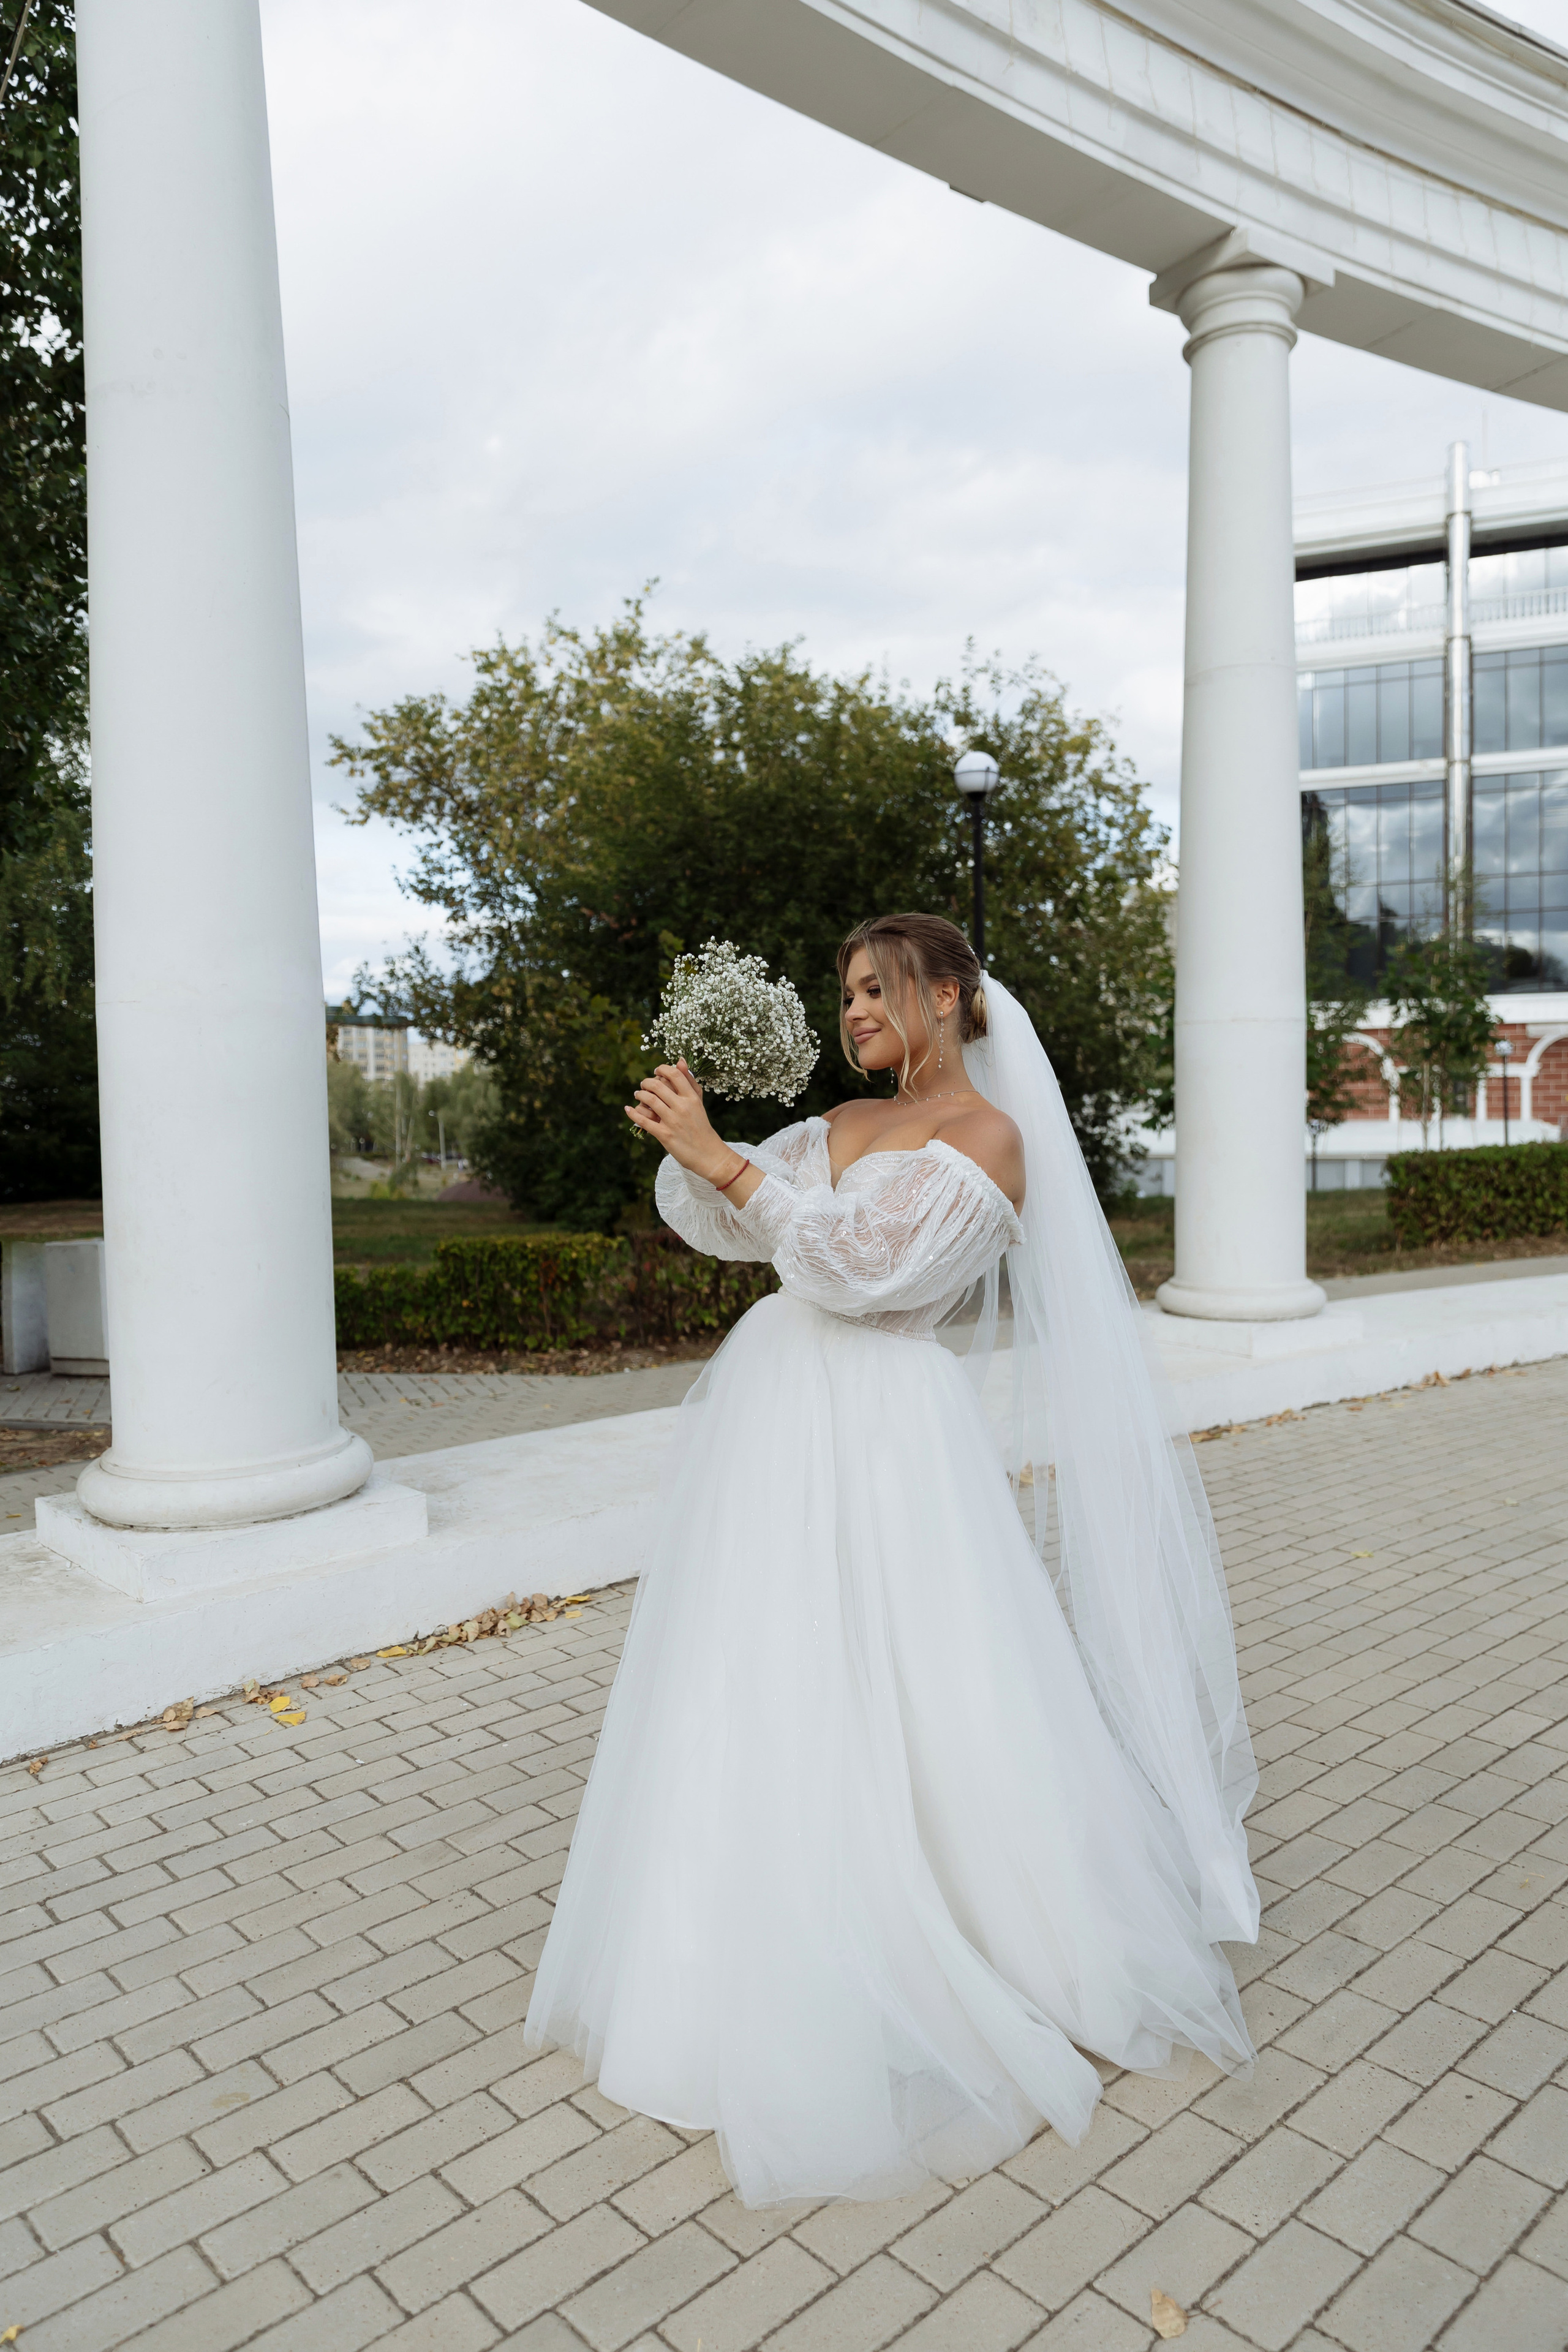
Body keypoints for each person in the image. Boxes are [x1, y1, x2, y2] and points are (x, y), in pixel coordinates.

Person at [524, 913, 1257, 2208]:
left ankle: (951, 1938)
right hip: (775, 1422)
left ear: (950, 996)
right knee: (758, 1672)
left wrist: (730, 1166)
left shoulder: (990, 1139)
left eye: (877, 987)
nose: (855, 1009)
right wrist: (699, 1148)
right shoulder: (842, 1125)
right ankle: (732, 1956)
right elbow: (736, 1226)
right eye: (847, 991)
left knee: (914, 1674)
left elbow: (864, 1269)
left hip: (884, 1432)